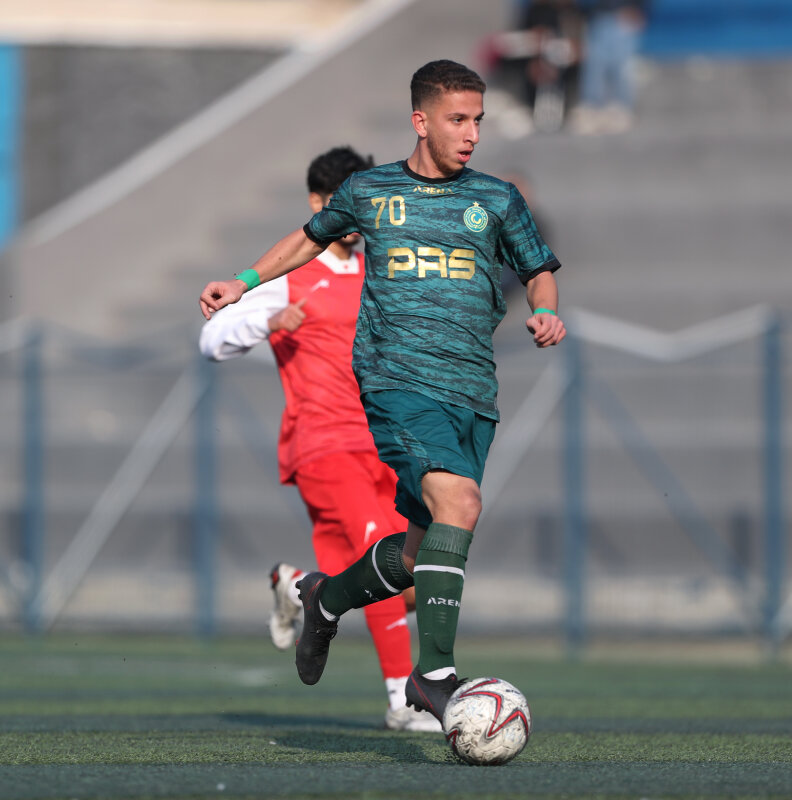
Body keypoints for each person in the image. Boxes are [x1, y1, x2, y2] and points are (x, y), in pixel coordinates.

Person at [199, 59, 566, 724]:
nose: (471, 133)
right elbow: (307, 240)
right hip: (395, 386)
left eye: (478, 120)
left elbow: (538, 267)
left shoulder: (496, 199)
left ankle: (323, 598)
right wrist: (243, 283)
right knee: (461, 502)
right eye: (458, 119)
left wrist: (545, 309)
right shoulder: (372, 191)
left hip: (471, 392)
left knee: (417, 552)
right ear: (421, 121)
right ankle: (430, 680)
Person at [198, 146, 440, 733]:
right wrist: (266, 321)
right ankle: (403, 702)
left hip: (385, 446)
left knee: (405, 577)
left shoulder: (381, 268)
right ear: (316, 203)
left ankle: (296, 586)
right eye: (342, 201)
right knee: (385, 553)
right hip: (324, 444)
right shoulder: (290, 275)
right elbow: (212, 339)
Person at [569, 0, 649, 134]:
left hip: (625, 14)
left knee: (621, 66)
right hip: (597, 16)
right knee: (594, 65)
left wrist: (639, 9)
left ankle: (621, 111)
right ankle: (592, 110)